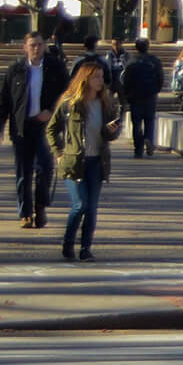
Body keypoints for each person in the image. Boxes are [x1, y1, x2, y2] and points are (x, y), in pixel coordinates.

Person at [51, 58, 122, 261]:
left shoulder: (105, 103)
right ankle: (68, 244)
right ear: (86, 79)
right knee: (80, 204)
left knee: (91, 208)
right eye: (96, 77)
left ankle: (85, 248)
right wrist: (58, 152)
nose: (101, 81)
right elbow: (51, 129)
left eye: (101, 77)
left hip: (97, 162)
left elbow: (109, 136)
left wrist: (112, 131)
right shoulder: (70, 103)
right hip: (74, 162)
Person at [0, 32, 63, 228]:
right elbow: (4, 100)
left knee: (45, 168)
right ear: (24, 47)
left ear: (45, 46)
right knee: (23, 173)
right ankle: (25, 213)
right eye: (32, 45)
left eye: (40, 45)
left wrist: (51, 111)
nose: (36, 49)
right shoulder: (15, 70)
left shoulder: (55, 68)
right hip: (21, 128)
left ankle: (40, 206)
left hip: (45, 127)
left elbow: (66, 93)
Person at [117, 40, 164, 159]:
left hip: (135, 97)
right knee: (149, 120)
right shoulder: (154, 61)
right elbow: (160, 77)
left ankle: (138, 149)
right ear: (148, 47)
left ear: (135, 47)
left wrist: (127, 95)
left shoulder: (132, 62)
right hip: (150, 96)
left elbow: (126, 80)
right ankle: (148, 138)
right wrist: (156, 90)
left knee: (136, 123)